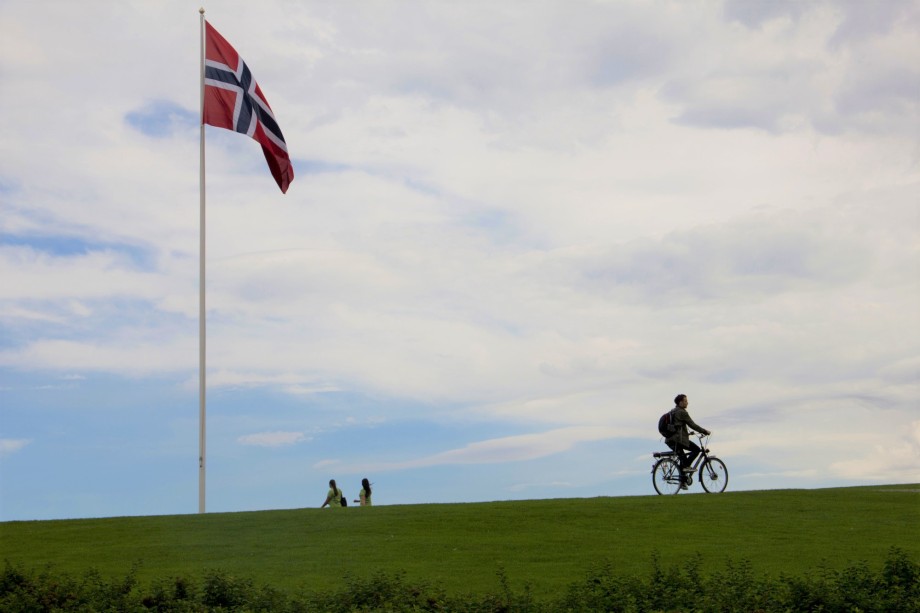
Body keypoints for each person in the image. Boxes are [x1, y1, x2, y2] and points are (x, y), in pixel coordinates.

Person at [664, 394, 711, 489]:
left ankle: (682, 482)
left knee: (683, 459)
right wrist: (704, 431)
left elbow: (677, 426)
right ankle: (686, 468)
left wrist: (688, 433)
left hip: (670, 440)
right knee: (696, 450)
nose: (687, 402)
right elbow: (692, 424)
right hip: (678, 440)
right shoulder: (682, 412)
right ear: (680, 402)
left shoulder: (673, 411)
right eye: (685, 401)